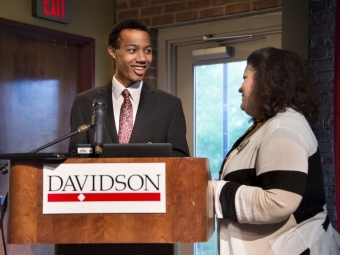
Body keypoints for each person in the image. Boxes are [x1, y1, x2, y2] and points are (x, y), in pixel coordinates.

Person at [213, 47, 340, 254]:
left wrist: (213, 192)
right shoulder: (270, 124)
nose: (240, 87)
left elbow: (279, 201)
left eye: (245, 77)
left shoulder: (284, 127)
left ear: (266, 82)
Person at [68, 19, 189, 157]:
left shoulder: (170, 105)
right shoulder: (84, 102)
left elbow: (181, 160)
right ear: (113, 52)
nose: (142, 58)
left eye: (147, 50)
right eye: (132, 50)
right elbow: (75, 158)